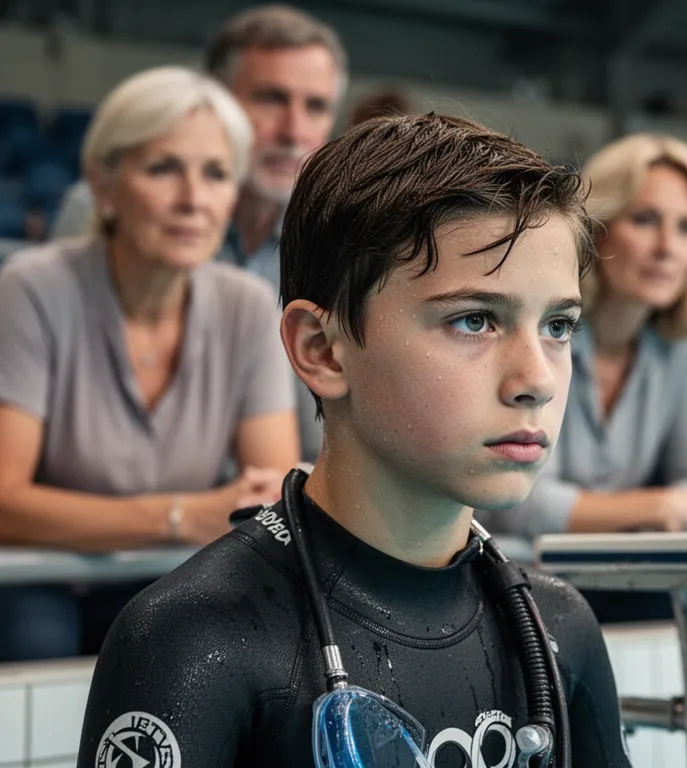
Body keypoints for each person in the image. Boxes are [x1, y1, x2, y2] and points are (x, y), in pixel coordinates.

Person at [78, 114, 632, 768]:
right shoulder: (192, 639)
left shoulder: (555, 630)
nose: (537, 379)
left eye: (559, 326)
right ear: (322, 350)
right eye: (474, 320)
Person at [0, 66, 300, 661]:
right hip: (36, 575)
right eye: (163, 169)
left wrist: (197, 521)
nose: (193, 199)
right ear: (104, 184)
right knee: (39, 638)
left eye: (215, 174)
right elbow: (6, 502)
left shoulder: (246, 305)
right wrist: (183, 516)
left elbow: (271, 495)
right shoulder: (31, 289)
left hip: (168, 573)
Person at [51, 4, 347, 461]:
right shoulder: (106, 211)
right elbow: (78, 417)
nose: (294, 131)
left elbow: (323, 426)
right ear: (213, 102)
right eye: (271, 98)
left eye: (315, 107)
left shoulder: (336, 239)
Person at [480, 133, 687, 542]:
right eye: (645, 220)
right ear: (597, 228)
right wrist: (660, 507)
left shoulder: (686, 341)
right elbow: (519, 503)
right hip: (513, 577)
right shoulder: (544, 322)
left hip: (616, 576)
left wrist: (595, 513)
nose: (668, 248)